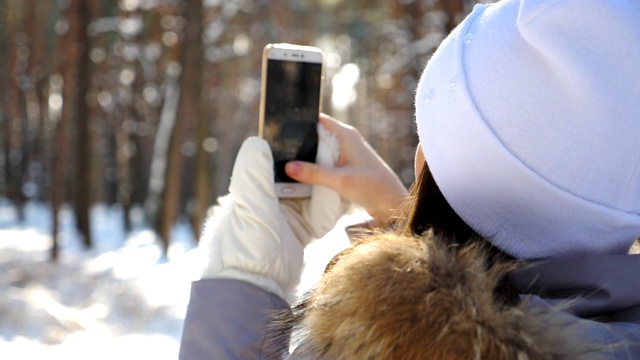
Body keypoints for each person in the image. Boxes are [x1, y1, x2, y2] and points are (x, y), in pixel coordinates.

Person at [180, 0, 640, 358]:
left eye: (429, 137)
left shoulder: (370, 344)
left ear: (428, 164)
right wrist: (396, 212)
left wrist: (244, 274)